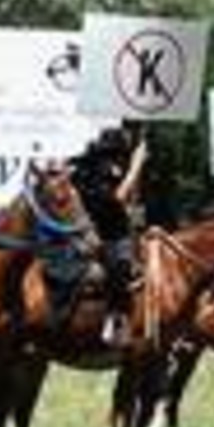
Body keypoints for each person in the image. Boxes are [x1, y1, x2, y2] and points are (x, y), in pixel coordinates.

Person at [70, 127, 148, 346]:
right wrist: (136, 165)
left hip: (104, 230)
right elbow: (117, 198)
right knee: (121, 267)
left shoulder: (89, 167)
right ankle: (116, 320)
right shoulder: (106, 169)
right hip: (105, 234)